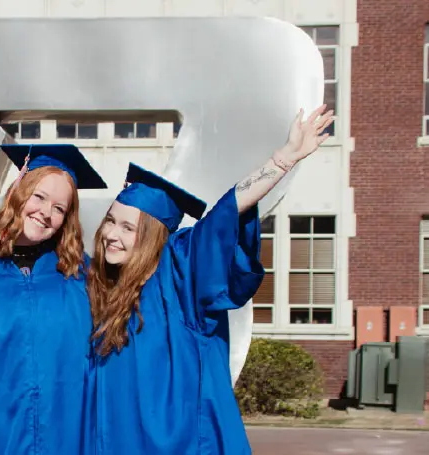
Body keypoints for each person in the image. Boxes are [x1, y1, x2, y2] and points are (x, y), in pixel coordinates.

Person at [87, 106, 335, 454]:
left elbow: (225, 214)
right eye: (111, 221)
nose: (111, 234)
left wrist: (284, 158)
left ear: (151, 237)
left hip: (183, 441)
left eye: (128, 227)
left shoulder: (180, 272)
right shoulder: (102, 284)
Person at [0, 143, 107, 455]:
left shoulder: (83, 274)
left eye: (59, 208)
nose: (46, 213)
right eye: (40, 197)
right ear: (19, 193)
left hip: (69, 441)